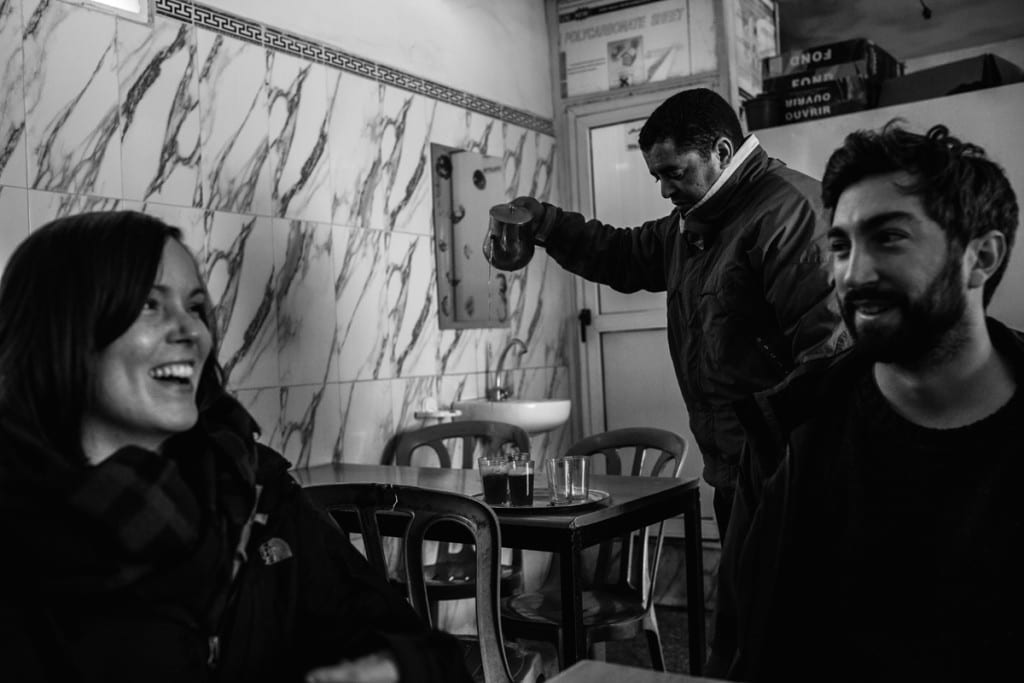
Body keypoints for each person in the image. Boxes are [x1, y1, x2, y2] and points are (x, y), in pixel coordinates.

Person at [0, 211, 472, 683]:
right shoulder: (21, 535)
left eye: (197, 308)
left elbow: (429, 655)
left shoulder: (255, 496)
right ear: (61, 328)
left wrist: (390, 670)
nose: (192, 332)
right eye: (149, 304)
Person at [708, 122, 1023, 681]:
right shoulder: (792, 431)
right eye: (840, 245)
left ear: (982, 257)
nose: (854, 273)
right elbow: (741, 638)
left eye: (889, 237)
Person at [507, 87, 844, 540]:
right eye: (657, 177)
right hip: (735, 473)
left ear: (721, 152)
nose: (665, 190)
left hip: (791, 479)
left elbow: (831, 362)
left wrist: (782, 460)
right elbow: (622, 254)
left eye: (674, 173)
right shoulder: (699, 221)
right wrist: (547, 224)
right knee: (745, 606)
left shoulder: (789, 214)